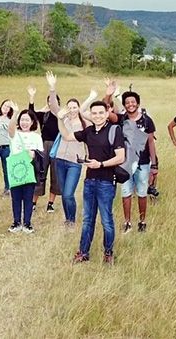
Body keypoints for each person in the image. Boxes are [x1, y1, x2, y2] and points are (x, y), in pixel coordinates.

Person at [51, 72, 125, 265]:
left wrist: (100, 164)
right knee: (87, 219)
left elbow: (120, 157)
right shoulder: (89, 131)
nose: (98, 115)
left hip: (107, 182)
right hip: (90, 181)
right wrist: (60, 119)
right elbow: (67, 136)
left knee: (106, 220)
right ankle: (83, 252)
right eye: (95, 113)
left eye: (102, 112)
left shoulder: (114, 131)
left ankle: (108, 253)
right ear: (90, 115)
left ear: (107, 113)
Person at [115, 91, 157, 233]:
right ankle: (127, 222)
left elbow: (151, 142)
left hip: (143, 162)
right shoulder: (121, 119)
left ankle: (142, 221)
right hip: (125, 163)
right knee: (126, 192)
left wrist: (154, 163)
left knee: (142, 192)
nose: (130, 104)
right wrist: (109, 93)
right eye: (127, 102)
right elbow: (107, 110)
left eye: (133, 102)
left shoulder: (147, 121)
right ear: (124, 105)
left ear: (138, 103)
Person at [47, 94, 91, 230]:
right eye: (70, 107)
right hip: (60, 160)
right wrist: (52, 88)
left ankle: (71, 220)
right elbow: (54, 106)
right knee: (64, 193)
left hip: (74, 162)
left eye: (75, 107)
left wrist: (90, 98)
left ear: (79, 108)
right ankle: (67, 219)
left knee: (68, 194)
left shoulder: (85, 123)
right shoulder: (63, 119)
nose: (72, 110)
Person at [7, 104, 43, 233]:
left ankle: (27, 223)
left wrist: (34, 154)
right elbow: (10, 129)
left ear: (32, 122)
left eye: (27, 120)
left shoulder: (36, 136)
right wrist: (15, 112)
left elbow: (41, 153)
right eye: (22, 119)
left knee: (28, 197)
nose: (24, 122)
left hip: (30, 170)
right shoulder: (15, 134)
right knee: (16, 197)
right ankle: (16, 222)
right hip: (15, 169)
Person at [27, 85, 61, 212]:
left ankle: (50, 203)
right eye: (50, 101)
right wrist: (31, 97)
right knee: (40, 173)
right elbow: (31, 114)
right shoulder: (44, 115)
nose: (51, 104)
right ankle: (33, 202)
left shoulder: (62, 116)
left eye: (54, 101)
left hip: (58, 146)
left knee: (55, 175)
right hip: (43, 145)